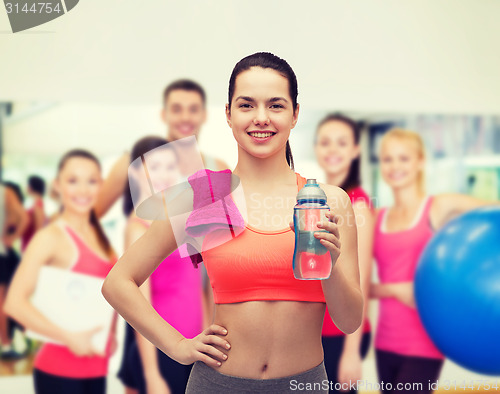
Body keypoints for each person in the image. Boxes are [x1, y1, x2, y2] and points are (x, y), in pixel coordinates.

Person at [102, 52, 363, 394]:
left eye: (276, 105)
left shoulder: (325, 200)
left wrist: (328, 263)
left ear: (295, 114)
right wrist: (178, 345)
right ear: (227, 114)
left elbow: (349, 321)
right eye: (246, 105)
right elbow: (118, 282)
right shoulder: (207, 195)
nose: (261, 118)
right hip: (217, 384)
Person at [370, 128, 498, 393]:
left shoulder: (439, 206)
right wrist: (394, 289)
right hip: (385, 341)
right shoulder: (376, 218)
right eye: (387, 159)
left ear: (420, 162)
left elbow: (494, 210)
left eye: (403, 159)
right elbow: (360, 285)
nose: (395, 166)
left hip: (425, 343)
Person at [4, 150, 117, 394]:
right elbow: (14, 303)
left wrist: (113, 332)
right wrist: (68, 337)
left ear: (101, 185)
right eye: (72, 180)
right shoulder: (50, 237)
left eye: (91, 181)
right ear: (57, 186)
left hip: (96, 367)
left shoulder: (99, 235)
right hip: (60, 372)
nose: (83, 190)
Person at [118, 136, 204, 394]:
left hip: (195, 347)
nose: (164, 175)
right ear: (136, 172)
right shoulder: (137, 229)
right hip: (163, 349)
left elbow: (197, 289)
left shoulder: (181, 220)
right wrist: (152, 374)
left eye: (170, 166)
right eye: (154, 167)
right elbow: (138, 309)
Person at [314, 114, 374, 393]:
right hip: (316, 328)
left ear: (355, 150)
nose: (332, 150)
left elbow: (361, 282)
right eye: (325, 142)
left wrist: (351, 352)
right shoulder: (316, 199)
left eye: (341, 142)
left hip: (343, 330)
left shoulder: (358, 205)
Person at [0, 182, 28, 359]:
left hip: (3, 255)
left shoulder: (5, 191)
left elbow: (23, 218)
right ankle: (13, 340)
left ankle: (8, 343)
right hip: (6, 255)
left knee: (5, 300)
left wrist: (10, 238)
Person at [22, 175, 47, 251]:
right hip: (28, 244)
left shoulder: (38, 205)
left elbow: (38, 230)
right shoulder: (36, 204)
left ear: (30, 187)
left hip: (32, 247)